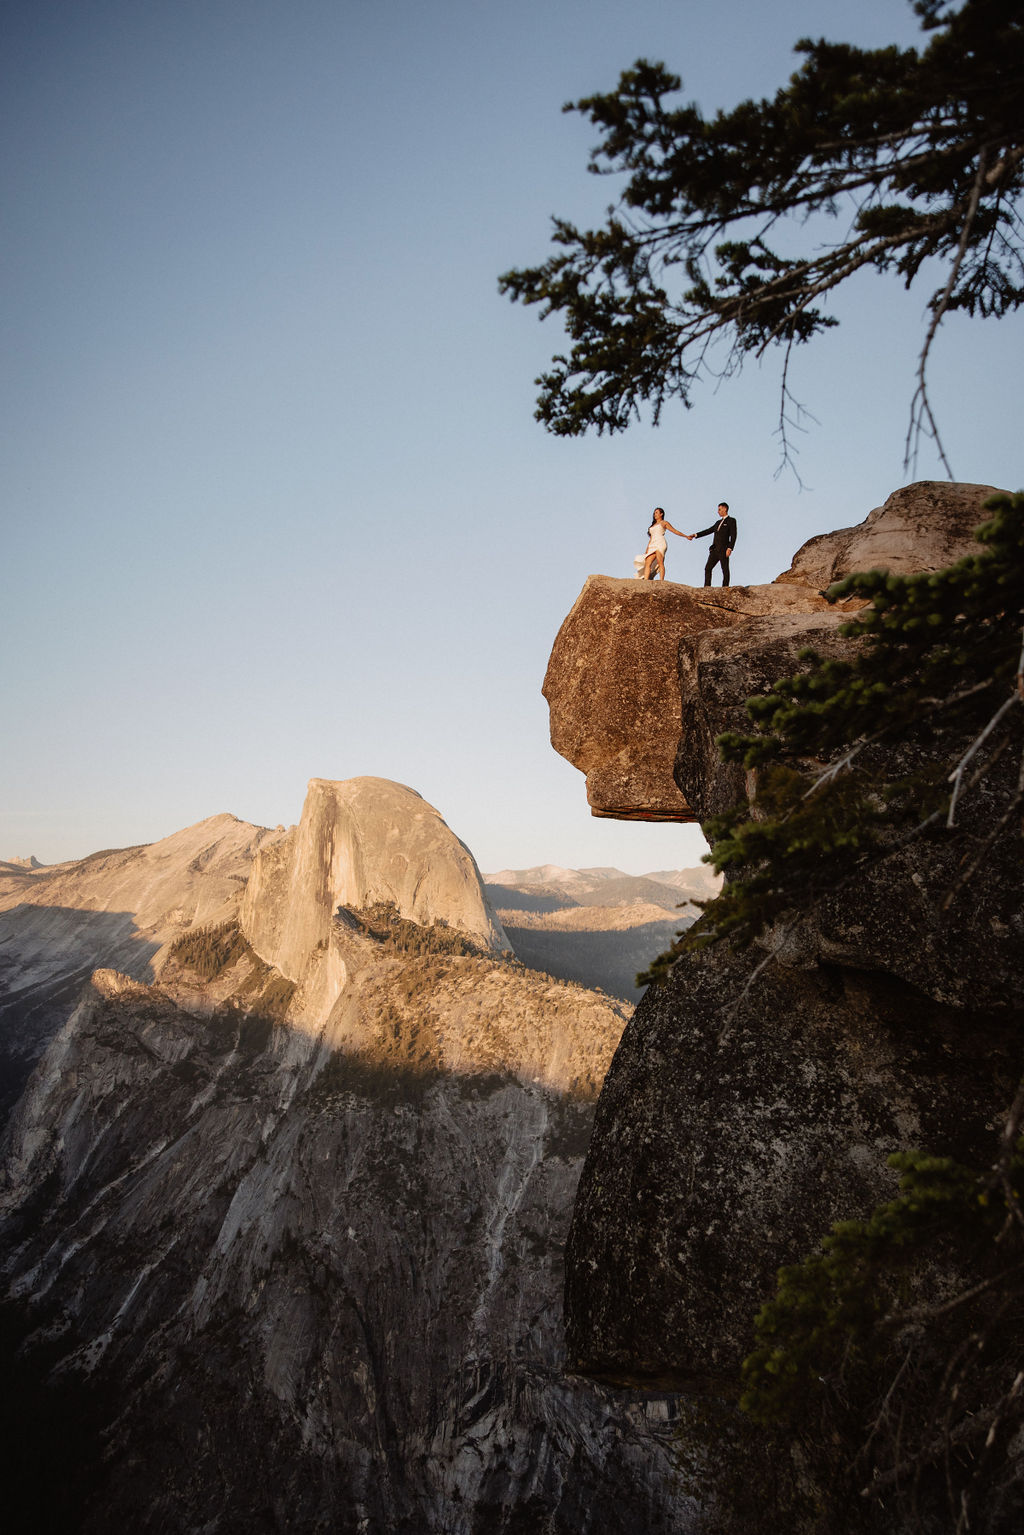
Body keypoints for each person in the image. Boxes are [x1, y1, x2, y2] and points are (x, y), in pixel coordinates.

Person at [691, 502, 737, 586]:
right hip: (715, 549)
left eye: (719, 509)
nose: (718, 511)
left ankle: (725, 588)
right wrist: (695, 535)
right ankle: (707, 587)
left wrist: (730, 548)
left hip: (724, 549)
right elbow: (708, 530)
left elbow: (734, 535)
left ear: (725, 509)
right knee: (708, 568)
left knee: (725, 569)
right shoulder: (717, 523)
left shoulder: (731, 521)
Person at [642, 507, 689, 581]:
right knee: (648, 562)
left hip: (660, 542)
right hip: (652, 543)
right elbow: (651, 538)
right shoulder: (653, 525)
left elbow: (675, 531)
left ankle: (661, 580)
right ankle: (646, 580)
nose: (655, 514)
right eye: (654, 513)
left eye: (657, 513)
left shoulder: (664, 523)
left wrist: (686, 536)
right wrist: (647, 548)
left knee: (660, 561)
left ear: (661, 514)